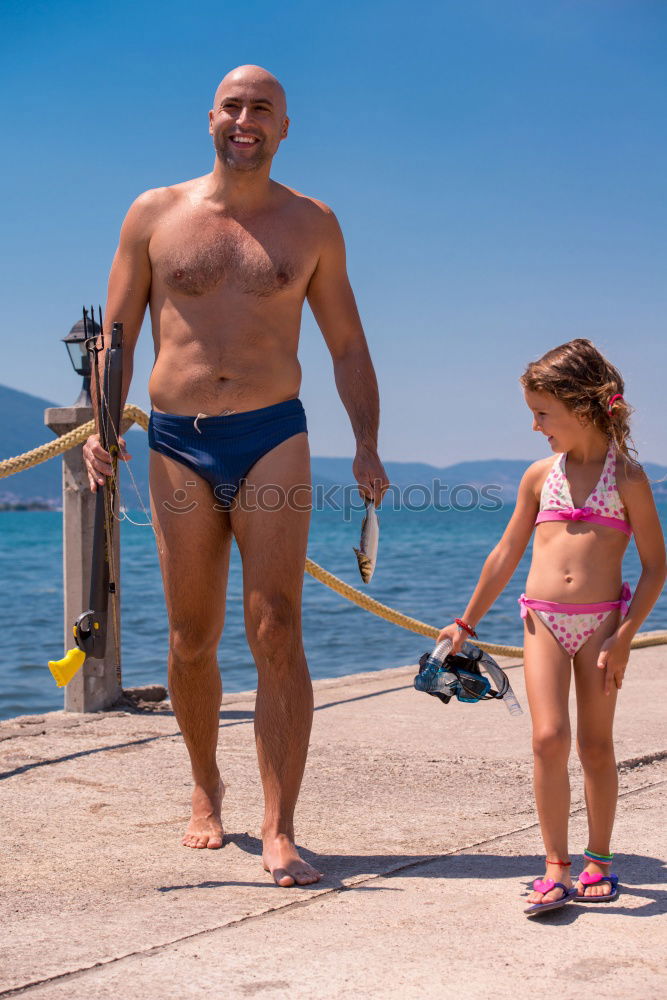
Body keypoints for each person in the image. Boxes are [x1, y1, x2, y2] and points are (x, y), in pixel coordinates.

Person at [83, 65, 389, 887]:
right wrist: (101, 427)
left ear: (284, 126)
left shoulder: (313, 224)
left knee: (277, 625)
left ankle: (280, 823)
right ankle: (205, 785)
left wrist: (365, 444)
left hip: (272, 435)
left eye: (261, 109)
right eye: (232, 106)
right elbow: (114, 331)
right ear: (209, 118)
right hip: (178, 441)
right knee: (190, 639)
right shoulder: (155, 213)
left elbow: (347, 344)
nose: (244, 119)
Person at [437, 339, 666, 915]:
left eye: (543, 413)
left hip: (601, 628)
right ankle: (555, 866)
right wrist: (466, 622)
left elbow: (657, 565)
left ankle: (600, 860)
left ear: (582, 408)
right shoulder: (540, 476)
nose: (537, 426)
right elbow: (507, 551)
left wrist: (624, 637)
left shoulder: (629, 477)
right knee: (547, 739)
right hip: (541, 621)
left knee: (594, 744)